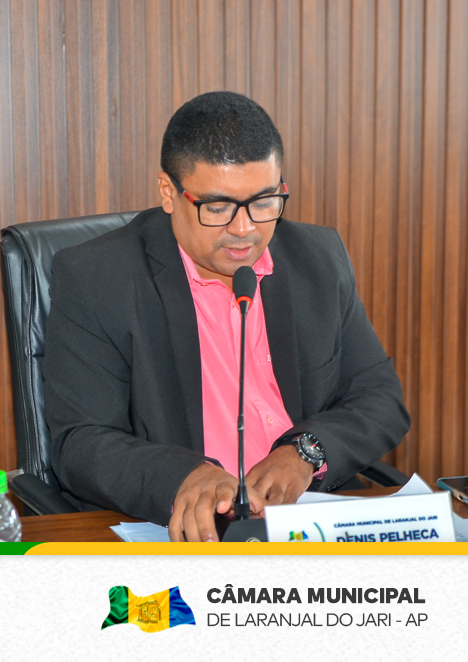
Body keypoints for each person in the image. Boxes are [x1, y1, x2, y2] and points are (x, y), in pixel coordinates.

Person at [43, 91, 409, 542]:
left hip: (306, 521)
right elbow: (81, 442)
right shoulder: (99, 278)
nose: (244, 229)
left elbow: (380, 398)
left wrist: (305, 453)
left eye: (264, 201)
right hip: (188, 534)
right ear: (168, 192)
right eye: (217, 208)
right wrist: (183, 476)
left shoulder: (317, 258)